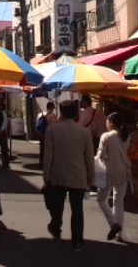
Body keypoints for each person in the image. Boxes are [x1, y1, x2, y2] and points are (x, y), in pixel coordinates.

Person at [43, 100, 95, 254]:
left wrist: (47, 175)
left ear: (62, 112)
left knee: (57, 206)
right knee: (77, 210)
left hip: (58, 174)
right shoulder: (84, 132)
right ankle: (77, 242)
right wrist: (90, 177)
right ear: (76, 114)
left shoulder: (52, 130)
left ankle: (56, 228)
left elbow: (48, 155)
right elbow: (89, 158)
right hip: (78, 175)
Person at [96, 112, 132, 242]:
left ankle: (113, 224)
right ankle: (120, 233)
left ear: (111, 123)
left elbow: (101, 156)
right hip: (123, 172)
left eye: (107, 122)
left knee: (101, 200)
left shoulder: (106, 136)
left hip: (109, 172)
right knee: (119, 202)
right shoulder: (126, 136)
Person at [35, 101, 57, 168]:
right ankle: (48, 164)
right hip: (48, 135)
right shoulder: (52, 116)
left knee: (42, 150)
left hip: (41, 135)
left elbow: (37, 124)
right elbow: (54, 126)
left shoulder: (40, 114)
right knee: (49, 150)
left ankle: (41, 164)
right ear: (52, 107)